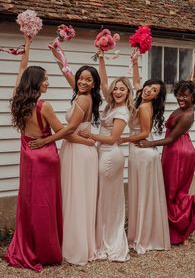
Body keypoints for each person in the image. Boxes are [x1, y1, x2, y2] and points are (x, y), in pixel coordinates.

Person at [29, 43, 102, 265]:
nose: (83, 82)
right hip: (82, 150)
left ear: (94, 84)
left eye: (88, 80)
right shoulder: (84, 94)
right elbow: (71, 77)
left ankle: (74, 248)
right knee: (78, 198)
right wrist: (58, 55)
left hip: (78, 153)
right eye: (82, 78)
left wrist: (45, 140)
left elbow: (69, 130)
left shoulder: (81, 99)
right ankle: (80, 244)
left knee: (75, 199)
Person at [137, 43, 195, 245]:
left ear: (193, 96)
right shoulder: (185, 103)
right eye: (179, 94)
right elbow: (194, 78)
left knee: (171, 193)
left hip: (179, 152)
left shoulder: (188, 114)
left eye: (185, 95)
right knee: (169, 190)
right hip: (176, 150)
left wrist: (148, 144)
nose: (181, 97)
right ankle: (172, 225)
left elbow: (171, 139)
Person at [5, 35, 63, 272]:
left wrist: (27, 43)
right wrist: (50, 138)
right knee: (46, 204)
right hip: (45, 155)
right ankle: (46, 250)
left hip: (27, 154)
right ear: (37, 82)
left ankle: (27, 245)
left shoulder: (17, 100)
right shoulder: (43, 106)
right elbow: (60, 131)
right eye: (45, 79)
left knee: (29, 202)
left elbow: (21, 69)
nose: (48, 82)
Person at [79, 50, 133, 261]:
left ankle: (110, 240)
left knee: (108, 200)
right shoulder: (111, 105)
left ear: (128, 93)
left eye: (123, 89)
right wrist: (101, 58)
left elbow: (113, 139)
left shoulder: (122, 112)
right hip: (102, 154)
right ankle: (100, 236)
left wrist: (90, 134)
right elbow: (103, 83)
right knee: (102, 197)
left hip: (111, 156)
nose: (118, 92)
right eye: (116, 89)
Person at [119, 53, 170, 253]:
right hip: (138, 152)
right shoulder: (141, 97)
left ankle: (144, 236)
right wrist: (134, 61)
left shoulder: (146, 106)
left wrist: (123, 139)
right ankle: (142, 233)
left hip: (142, 153)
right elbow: (138, 82)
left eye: (154, 90)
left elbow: (145, 133)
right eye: (149, 86)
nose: (149, 89)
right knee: (141, 193)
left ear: (156, 95)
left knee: (143, 194)